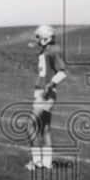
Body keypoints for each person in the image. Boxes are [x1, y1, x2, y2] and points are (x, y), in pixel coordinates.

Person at [26, 24, 66, 170]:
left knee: (31, 125)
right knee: (45, 128)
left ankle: (36, 161)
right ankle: (47, 162)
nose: (37, 40)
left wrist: (50, 84)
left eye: (38, 37)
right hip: (42, 91)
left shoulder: (53, 50)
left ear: (45, 37)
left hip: (45, 93)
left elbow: (62, 71)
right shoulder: (47, 50)